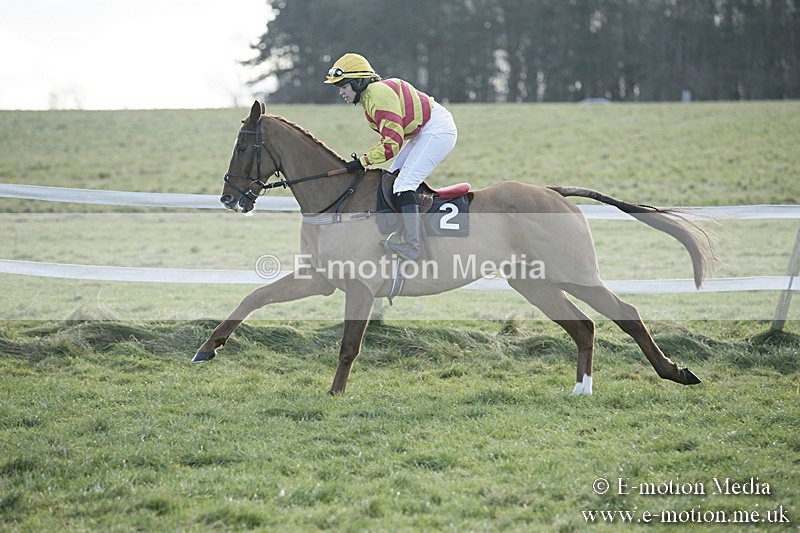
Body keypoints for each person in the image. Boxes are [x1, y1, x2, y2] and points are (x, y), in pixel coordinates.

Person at [324, 53, 458, 261]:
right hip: (424, 130)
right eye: (338, 87)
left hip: (437, 129)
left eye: (343, 86)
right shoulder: (369, 98)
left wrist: (363, 161)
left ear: (359, 81)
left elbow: (392, 144)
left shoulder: (377, 96)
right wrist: (364, 161)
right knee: (392, 178)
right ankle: (398, 233)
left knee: (404, 184)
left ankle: (413, 247)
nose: (341, 92)